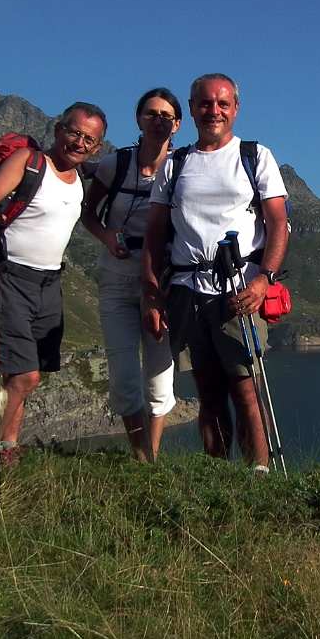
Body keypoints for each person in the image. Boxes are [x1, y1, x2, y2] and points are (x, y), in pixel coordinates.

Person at [141, 74, 288, 470]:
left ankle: (257, 475)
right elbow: (155, 235)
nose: (214, 111)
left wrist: (264, 279)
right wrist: (152, 292)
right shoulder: (175, 164)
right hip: (187, 291)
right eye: (205, 104)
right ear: (190, 110)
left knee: (245, 390)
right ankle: (218, 476)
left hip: (240, 291)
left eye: (223, 104)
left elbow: (278, 225)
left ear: (236, 109)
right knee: (207, 392)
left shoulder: (255, 157)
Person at [0, 102, 107, 464]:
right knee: (24, 375)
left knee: (28, 375)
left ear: (97, 148)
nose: (79, 142)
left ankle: (1, 445)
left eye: (89, 139)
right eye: (73, 132)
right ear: (58, 129)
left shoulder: (79, 180)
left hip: (49, 283)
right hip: (8, 275)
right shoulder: (29, 163)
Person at [81, 89, 183, 463]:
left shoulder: (183, 167)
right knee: (124, 380)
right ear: (138, 119)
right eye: (151, 113)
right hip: (116, 280)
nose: (158, 120)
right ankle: (142, 459)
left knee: (159, 377)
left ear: (177, 123)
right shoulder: (114, 165)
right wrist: (107, 237)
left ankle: (150, 461)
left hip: (162, 282)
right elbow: (88, 211)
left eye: (166, 115)